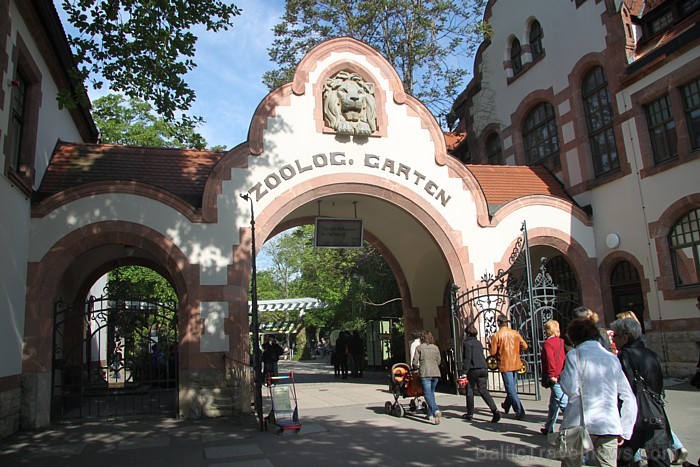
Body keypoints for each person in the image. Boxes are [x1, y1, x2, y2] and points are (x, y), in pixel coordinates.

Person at [559, 318, 637, 467]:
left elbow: (569, 388)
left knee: (571, 464)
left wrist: (564, 376)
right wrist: (625, 429)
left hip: (578, 422)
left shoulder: (574, 355)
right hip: (608, 423)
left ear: (574, 338)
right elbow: (628, 396)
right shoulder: (612, 358)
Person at [615, 311, 688, 465]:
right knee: (658, 457)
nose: (613, 340)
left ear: (625, 337)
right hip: (655, 411)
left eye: (615, 336)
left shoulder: (624, 356)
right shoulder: (651, 353)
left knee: (624, 458)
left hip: (636, 414)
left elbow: (624, 388)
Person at [489, 315, 528, 419]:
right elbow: (525, 346)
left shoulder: (497, 335)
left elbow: (493, 352)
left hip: (505, 363)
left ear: (498, 323)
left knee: (510, 388)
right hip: (516, 362)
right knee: (512, 386)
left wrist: (492, 348)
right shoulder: (515, 333)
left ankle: (520, 411)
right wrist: (517, 351)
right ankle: (507, 405)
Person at [461, 325, 500, 423]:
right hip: (483, 367)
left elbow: (467, 358)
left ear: (468, 334)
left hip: (473, 369)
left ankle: (470, 413)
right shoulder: (478, 343)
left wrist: (464, 372)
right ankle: (495, 410)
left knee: (469, 389)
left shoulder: (467, 343)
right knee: (483, 390)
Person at [540, 319, 567, 435]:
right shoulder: (561, 341)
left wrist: (551, 374)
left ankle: (576, 426)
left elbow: (550, 360)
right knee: (553, 404)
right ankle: (548, 427)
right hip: (562, 373)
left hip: (554, 376)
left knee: (563, 403)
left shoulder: (548, 343)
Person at [412, 330, 442, 425]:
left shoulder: (419, 348)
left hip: (425, 372)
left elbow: (414, 362)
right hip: (435, 372)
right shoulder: (436, 348)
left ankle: (435, 410)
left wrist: (416, 368)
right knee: (431, 393)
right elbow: (439, 361)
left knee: (427, 393)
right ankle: (430, 414)